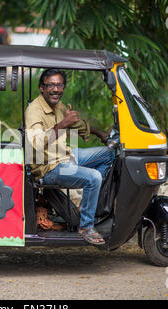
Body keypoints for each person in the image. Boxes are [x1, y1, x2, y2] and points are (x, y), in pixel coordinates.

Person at [25, 68, 114, 245]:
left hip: (65, 156)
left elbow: (75, 124)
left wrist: (99, 133)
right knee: (94, 178)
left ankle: (85, 207)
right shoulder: (34, 110)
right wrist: (63, 123)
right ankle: (86, 226)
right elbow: (36, 143)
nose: (55, 89)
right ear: (42, 88)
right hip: (48, 167)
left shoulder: (58, 105)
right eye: (50, 85)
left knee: (110, 155)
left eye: (59, 85)